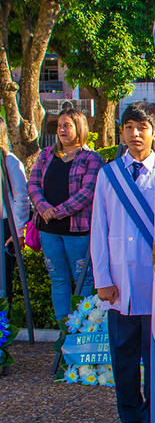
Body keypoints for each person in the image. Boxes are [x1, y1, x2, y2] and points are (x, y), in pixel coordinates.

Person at [90, 101, 155, 423]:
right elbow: (98, 230)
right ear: (121, 132)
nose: (135, 134)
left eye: (142, 128)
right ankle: (130, 415)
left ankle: (154, 417)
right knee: (124, 354)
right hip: (119, 283)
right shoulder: (108, 175)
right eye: (129, 127)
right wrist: (102, 278)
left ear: (154, 133)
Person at [27, 105, 104, 321]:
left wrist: (58, 211)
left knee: (84, 280)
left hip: (77, 231)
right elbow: (33, 184)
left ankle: (81, 328)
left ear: (79, 128)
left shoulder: (92, 158)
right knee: (58, 279)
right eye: (59, 126)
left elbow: (87, 192)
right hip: (49, 229)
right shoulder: (46, 156)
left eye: (67, 126)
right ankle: (63, 330)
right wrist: (43, 209)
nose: (61, 130)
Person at [0, 118, 29, 301]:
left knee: (3, 282)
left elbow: (21, 198)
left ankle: (4, 324)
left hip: (4, 228)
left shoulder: (9, 161)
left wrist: (18, 231)